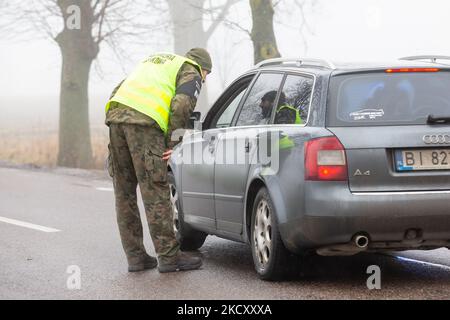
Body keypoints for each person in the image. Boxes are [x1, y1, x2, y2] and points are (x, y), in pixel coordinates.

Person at [105, 48, 212, 273]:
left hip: (115, 120)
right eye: (207, 75)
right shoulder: (190, 70)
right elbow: (182, 104)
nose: (204, 79)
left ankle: (136, 257)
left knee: (124, 194)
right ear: (203, 68)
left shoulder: (154, 62)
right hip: (145, 125)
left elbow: (118, 91)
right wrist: (173, 141)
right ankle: (169, 257)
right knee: (155, 190)